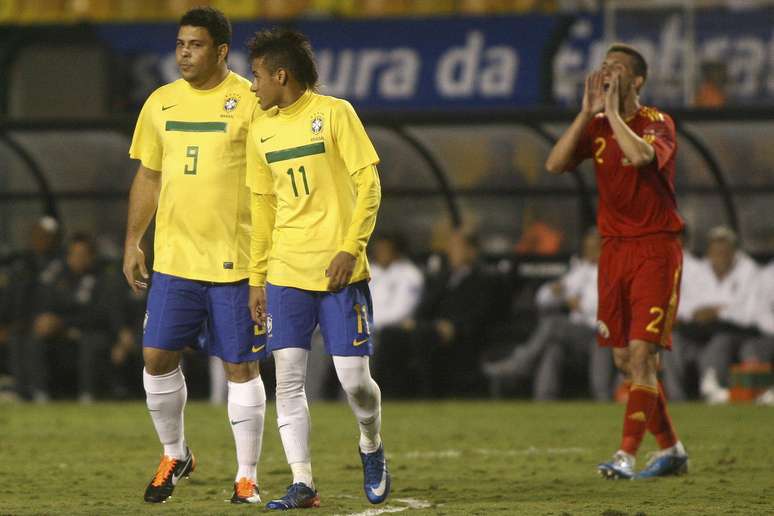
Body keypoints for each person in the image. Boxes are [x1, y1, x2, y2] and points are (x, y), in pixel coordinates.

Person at [123, 7, 266, 505]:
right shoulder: (161, 102)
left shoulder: (251, 100)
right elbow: (149, 175)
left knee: (239, 367)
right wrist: (133, 240)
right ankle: (175, 453)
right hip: (176, 261)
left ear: (222, 51)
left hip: (236, 259)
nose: (184, 53)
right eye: (181, 44)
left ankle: (246, 476)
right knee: (156, 357)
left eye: (196, 45)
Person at [245, 28, 389, 510]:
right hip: (286, 272)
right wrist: (257, 277)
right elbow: (262, 208)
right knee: (287, 378)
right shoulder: (260, 130)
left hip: (339, 273)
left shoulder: (335, 114)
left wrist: (352, 247)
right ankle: (302, 482)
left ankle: (370, 442)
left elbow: (368, 186)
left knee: (355, 383)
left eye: (258, 76)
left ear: (280, 75)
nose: (253, 86)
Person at [545, 43, 688, 479]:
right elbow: (555, 164)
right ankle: (672, 450)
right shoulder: (597, 125)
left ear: (638, 80)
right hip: (614, 252)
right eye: (605, 65)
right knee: (626, 359)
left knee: (644, 354)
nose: (608, 71)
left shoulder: (657, 122)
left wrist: (615, 114)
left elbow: (642, 156)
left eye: (619, 68)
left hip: (655, 249)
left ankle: (625, 454)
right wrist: (589, 114)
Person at [484, 227, 614, 401]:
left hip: (599, 332)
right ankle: (545, 401)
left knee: (553, 324)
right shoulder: (579, 272)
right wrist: (554, 292)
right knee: (554, 346)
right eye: (588, 247)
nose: (591, 252)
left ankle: (518, 366)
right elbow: (542, 299)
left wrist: (578, 303)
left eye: (595, 247)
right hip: (576, 336)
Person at [663, 226, 760, 403]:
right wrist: (697, 312)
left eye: (725, 250)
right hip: (697, 332)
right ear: (709, 251)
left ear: (734, 251)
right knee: (672, 340)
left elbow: (749, 312)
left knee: (718, 344)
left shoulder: (749, 270)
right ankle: (677, 400)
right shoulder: (699, 270)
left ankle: (711, 396)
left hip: (733, 334)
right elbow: (684, 304)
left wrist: (717, 312)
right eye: (716, 250)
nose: (720, 254)